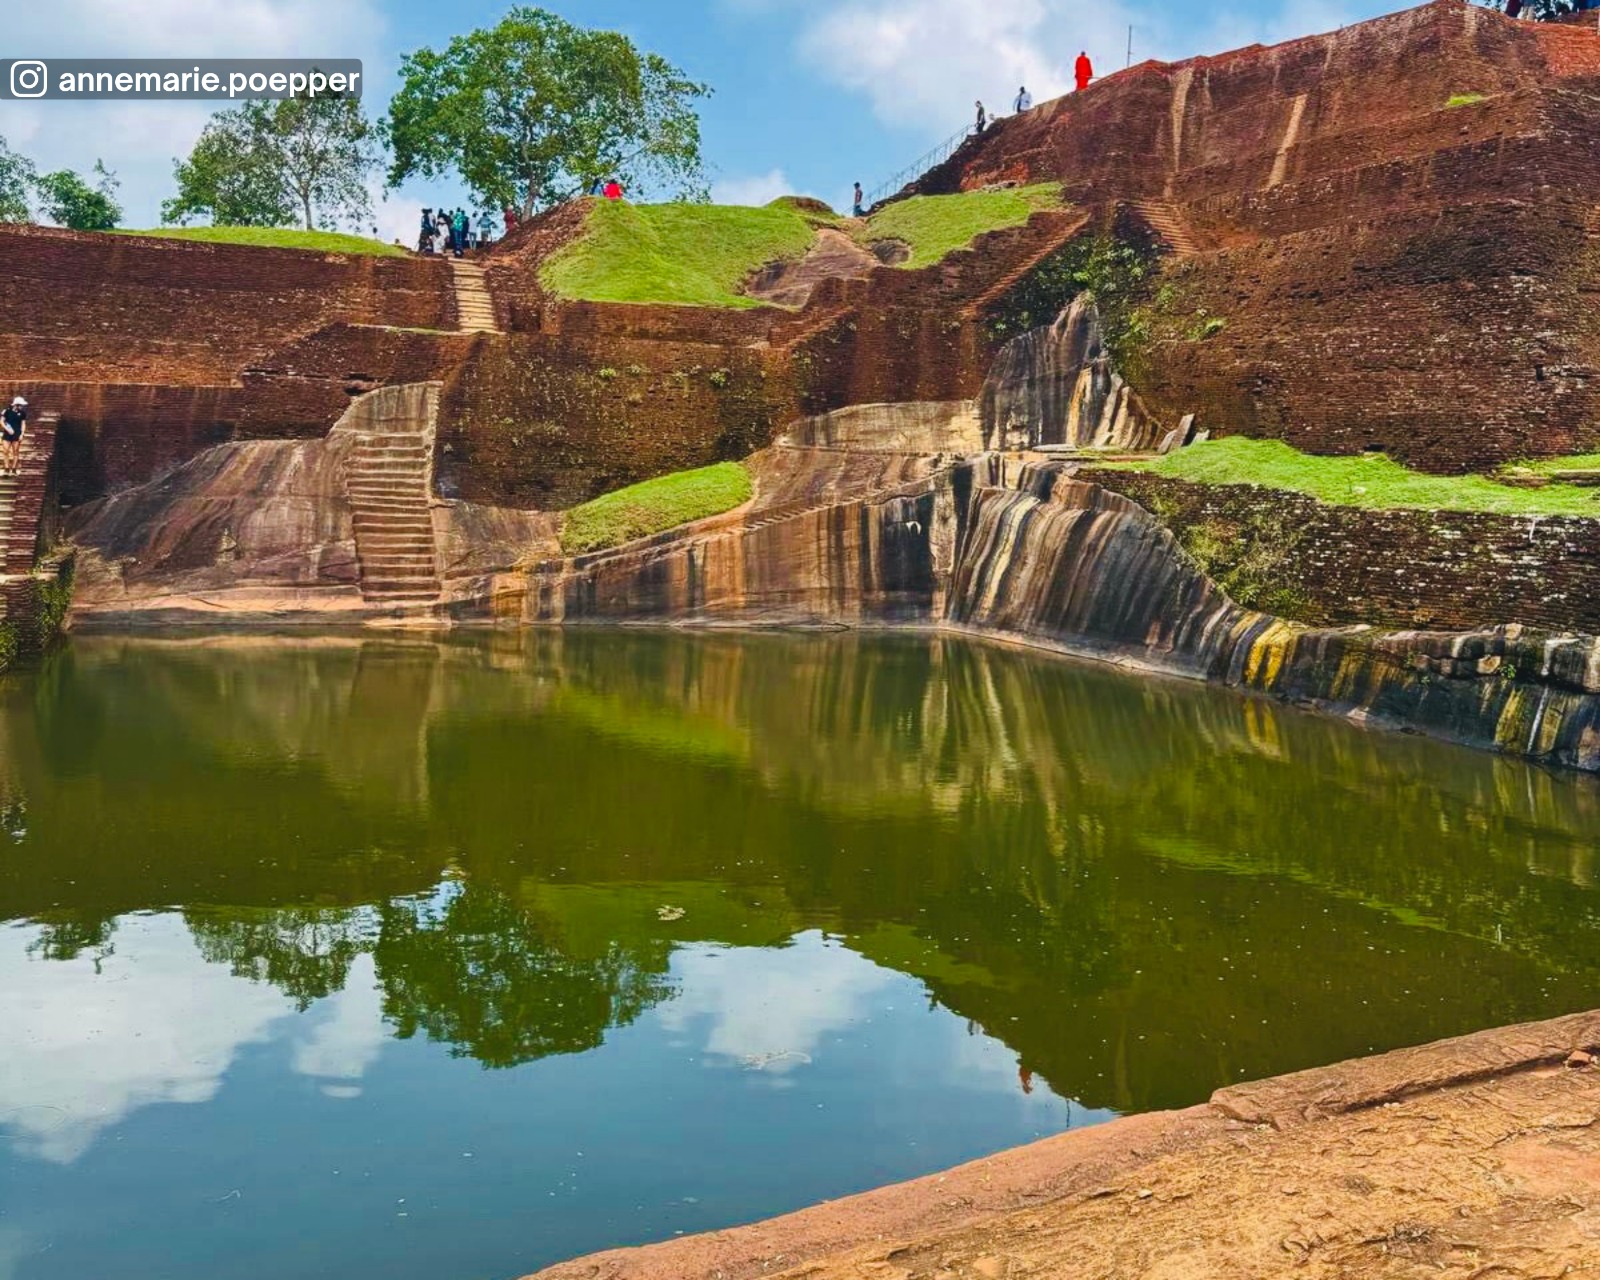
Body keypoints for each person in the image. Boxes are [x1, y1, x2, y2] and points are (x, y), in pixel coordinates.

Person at [2, 397, 27, 476]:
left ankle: (14, 469)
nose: (22, 407)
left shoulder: (22, 413)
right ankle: (6, 468)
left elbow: (23, 424)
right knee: (6, 451)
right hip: (7, 433)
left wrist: (22, 434)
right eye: (21, 405)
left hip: (17, 434)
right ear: (16, 405)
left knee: (15, 452)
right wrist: (7, 429)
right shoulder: (7, 411)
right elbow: (2, 421)